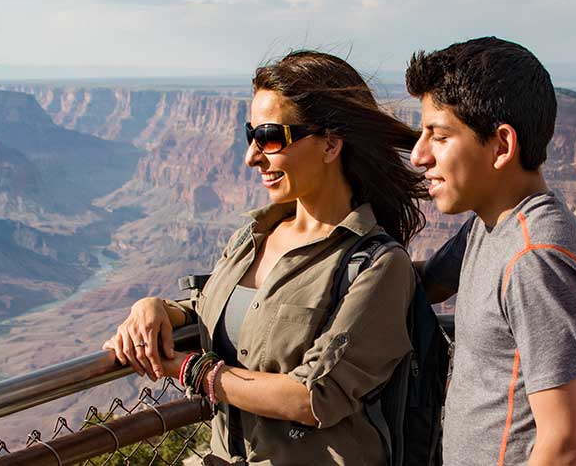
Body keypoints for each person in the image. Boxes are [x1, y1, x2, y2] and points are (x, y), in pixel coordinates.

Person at [104, 50, 427, 465]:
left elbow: (315, 396)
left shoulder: (376, 265)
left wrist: (189, 369)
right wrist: (157, 309)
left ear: (330, 143)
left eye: (271, 137)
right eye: (250, 135)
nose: (252, 156)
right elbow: (227, 309)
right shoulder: (251, 239)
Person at [407, 36, 576, 466]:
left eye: (439, 136)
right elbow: (423, 281)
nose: (418, 155)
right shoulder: (489, 226)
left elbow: (568, 444)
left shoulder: (534, 259)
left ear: (501, 145)